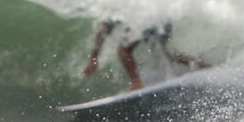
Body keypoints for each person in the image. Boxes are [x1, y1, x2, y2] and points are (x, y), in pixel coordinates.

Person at [82, 20, 211, 91]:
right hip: (161, 17)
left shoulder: (113, 5)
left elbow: (102, 32)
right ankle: (202, 64)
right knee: (164, 53)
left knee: (124, 50)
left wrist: (94, 59)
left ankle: (137, 83)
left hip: (142, 19)